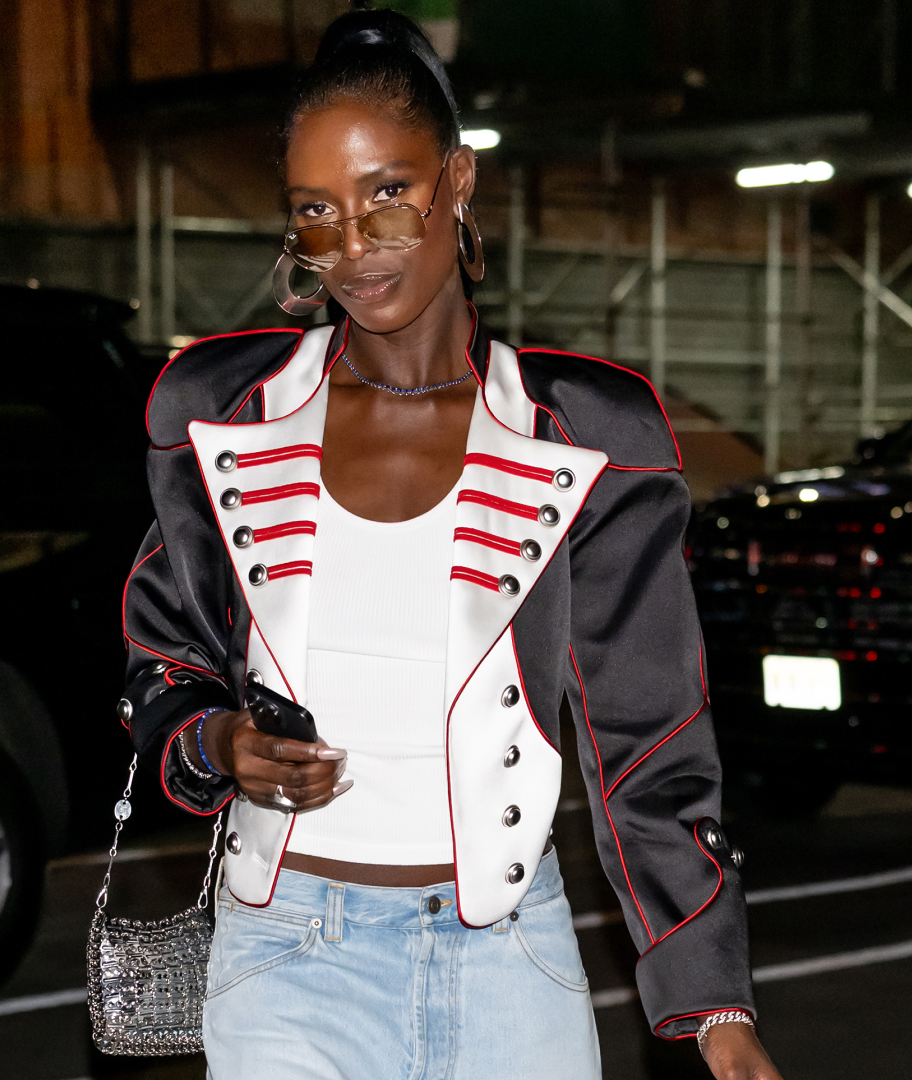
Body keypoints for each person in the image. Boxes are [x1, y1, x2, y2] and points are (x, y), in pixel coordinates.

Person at [119, 10, 783, 1079]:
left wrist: (715, 1006)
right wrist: (218, 745)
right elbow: (166, 661)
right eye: (317, 214)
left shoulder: (586, 437)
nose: (356, 248)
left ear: (460, 183)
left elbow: (646, 731)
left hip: (508, 960)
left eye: (389, 194)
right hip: (286, 953)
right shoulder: (223, 414)